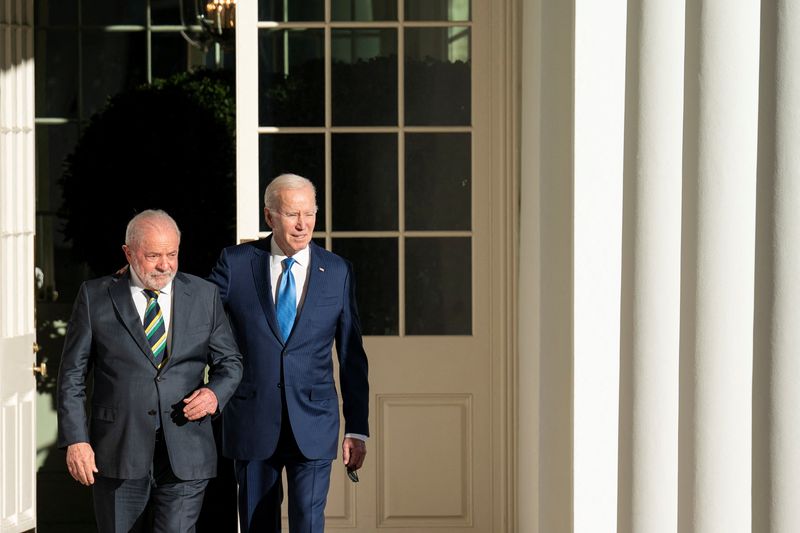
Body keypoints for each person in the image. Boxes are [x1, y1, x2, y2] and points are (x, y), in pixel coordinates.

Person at [57, 209, 243, 533]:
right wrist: (76, 440)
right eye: (153, 255)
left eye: (172, 254)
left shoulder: (204, 295)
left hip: (186, 450)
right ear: (128, 253)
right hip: (117, 450)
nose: (165, 265)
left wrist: (215, 393)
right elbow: (72, 375)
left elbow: (230, 363)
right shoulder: (95, 297)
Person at [209, 173, 369, 533]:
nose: (302, 225)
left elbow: (352, 356)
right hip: (252, 420)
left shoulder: (338, 271)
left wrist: (358, 428)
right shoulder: (235, 264)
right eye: (292, 214)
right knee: (256, 525)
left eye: (309, 214)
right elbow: (199, 319)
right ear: (269, 217)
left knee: (308, 524)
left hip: (313, 422)